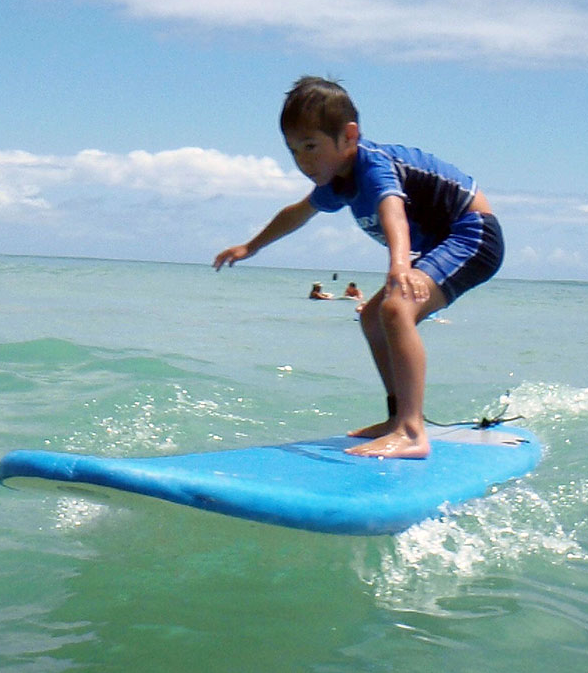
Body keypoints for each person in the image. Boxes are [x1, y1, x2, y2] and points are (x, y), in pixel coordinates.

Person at [213, 76, 504, 459]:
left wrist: (400, 263)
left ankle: (413, 433)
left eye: (312, 146)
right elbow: (297, 213)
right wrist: (251, 246)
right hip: (440, 243)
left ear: (349, 136)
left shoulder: (373, 166)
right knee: (371, 317)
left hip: (473, 234)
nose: (303, 161)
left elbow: (392, 211)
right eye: (294, 151)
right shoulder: (336, 183)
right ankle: (397, 417)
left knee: (396, 308)